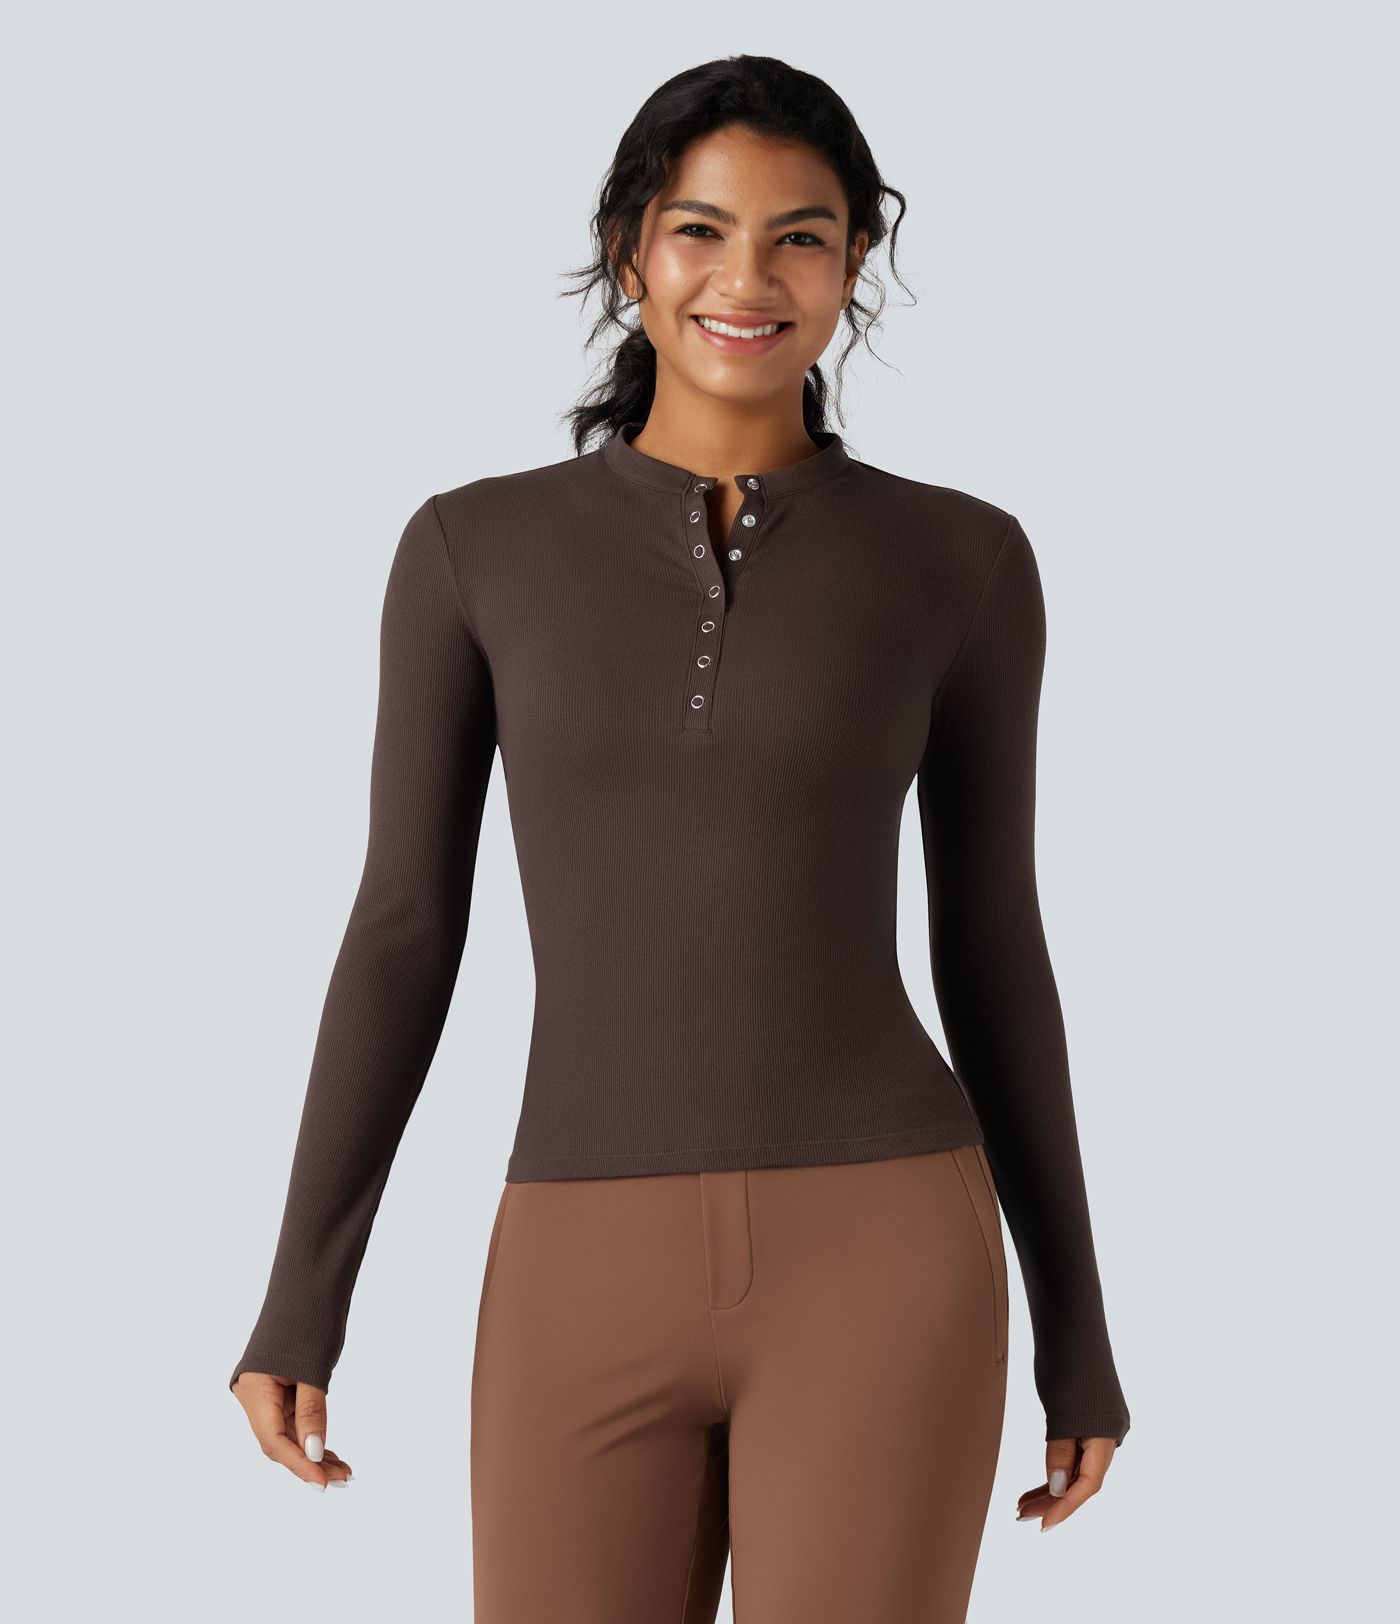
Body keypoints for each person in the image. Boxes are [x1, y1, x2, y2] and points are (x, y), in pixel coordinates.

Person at [230, 53, 1131, 1623]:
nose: (747, 279)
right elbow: (403, 926)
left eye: (801, 236)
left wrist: (1080, 1329)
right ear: (629, 249)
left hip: (885, 1249)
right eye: (701, 230)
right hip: (576, 1255)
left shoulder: (962, 561)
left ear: (855, 263)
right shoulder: (472, 550)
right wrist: (303, 1294)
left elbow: (994, 948)